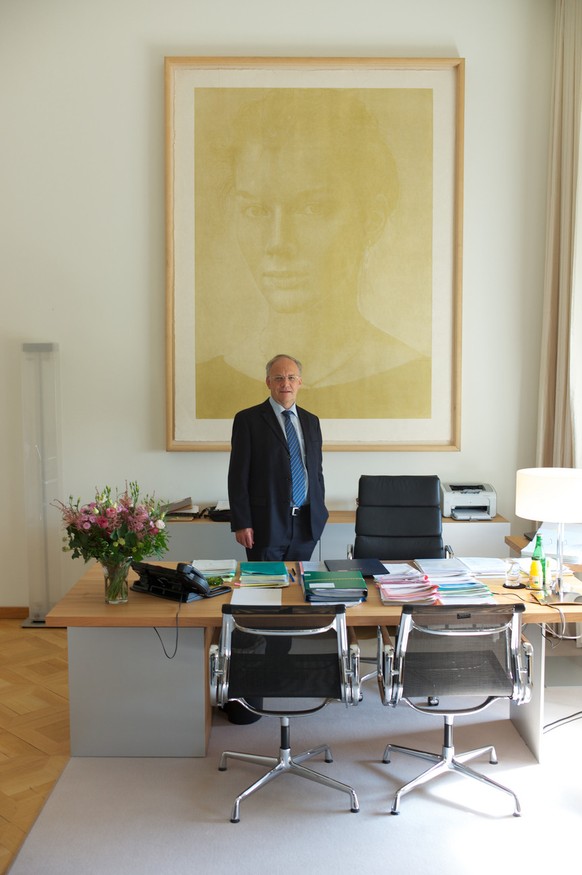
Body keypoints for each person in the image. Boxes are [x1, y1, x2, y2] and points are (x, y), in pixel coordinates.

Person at [195, 88, 431, 421]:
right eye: (255, 210)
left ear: (372, 221)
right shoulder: (209, 379)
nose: (277, 243)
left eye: (311, 208)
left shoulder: (412, 374)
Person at [227, 353, 328, 561]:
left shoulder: (311, 421)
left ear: (300, 382)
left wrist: (320, 512)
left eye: (291, 377)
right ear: (268, 382)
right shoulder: (248, 420)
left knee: (299, 589)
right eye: (279, 378)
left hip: (306, 526)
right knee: (266, 588)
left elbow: (316, 472)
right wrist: (242, 522)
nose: (286, 384)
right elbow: (238, 477)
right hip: (265, 526)